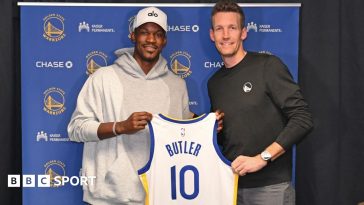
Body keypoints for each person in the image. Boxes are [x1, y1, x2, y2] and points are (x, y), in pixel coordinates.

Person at [67, 7, 223, 205]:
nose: (151, 40)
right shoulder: (103, 78)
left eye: (158, 34)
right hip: (111, 196)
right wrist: (120, 127)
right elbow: (76, 128)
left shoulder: (176, 84)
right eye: (145, 32)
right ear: (133, 35)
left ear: (164, 40)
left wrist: (206, 124)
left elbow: (182, 123)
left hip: (161, 194)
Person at [208, 1, 313, 205]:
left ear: (243, 33)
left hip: (271, 188)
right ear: (212, 35)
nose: (226, 35)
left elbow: (302, 118)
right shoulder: (214, 82)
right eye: (219, 29)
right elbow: (228, 138)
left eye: (232, 28)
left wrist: (262, 158)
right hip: (232, 186)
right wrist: (217, 129)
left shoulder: (267, 66)